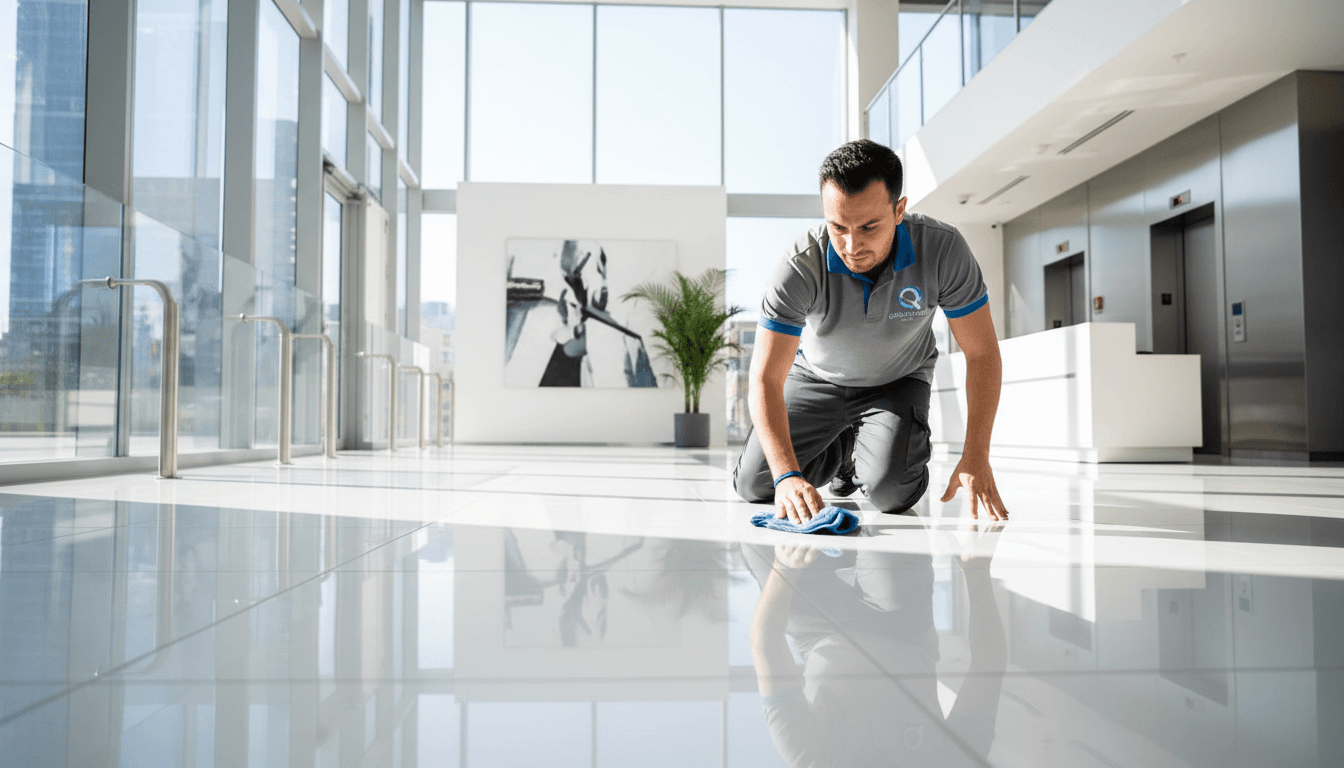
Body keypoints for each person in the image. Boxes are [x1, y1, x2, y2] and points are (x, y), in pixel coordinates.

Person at [733, 139, 1009, 522]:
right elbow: (764, 377)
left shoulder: (944, 250)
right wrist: (787, 476)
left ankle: (872, 451)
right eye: (838, 226)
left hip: (897, 380)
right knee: (757, 485)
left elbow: (981, 353)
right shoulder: (799, 265)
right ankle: (845, 452)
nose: (851, 245)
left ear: (899, 210)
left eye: (868, 226)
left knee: (892, 494)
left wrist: (976, 456)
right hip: (817, 377)